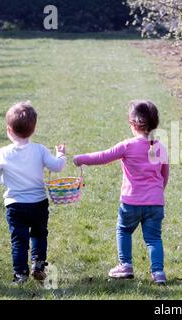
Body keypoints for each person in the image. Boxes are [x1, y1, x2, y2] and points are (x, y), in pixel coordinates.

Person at [73, 100, 169, 284]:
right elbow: (164, 175)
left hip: (131, 202)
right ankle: (158, 273)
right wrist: (157, 193)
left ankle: (125, 265)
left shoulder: (128, 145)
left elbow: (103, 157)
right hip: (155, 203)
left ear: (133, 124)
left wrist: (80, 159)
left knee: (123, 230)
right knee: (154, 239)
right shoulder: (160, 147)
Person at [0, 101, 66, 284]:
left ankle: (20, 274)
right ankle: (38, 265)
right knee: (39, 234)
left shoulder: (3, 153)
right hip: (38, 203)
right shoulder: (39, 150)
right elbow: (57, 166)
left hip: (15, 205)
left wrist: (3, 180)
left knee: (19, 240)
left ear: (9, 130)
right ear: (34, 128)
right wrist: (61, 154)